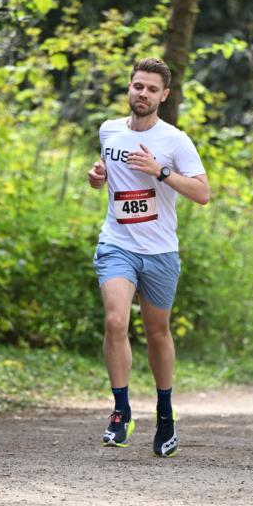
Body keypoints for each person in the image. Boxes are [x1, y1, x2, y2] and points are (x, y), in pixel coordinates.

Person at [87, 57, 210, 457]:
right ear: (130, 88)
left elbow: (202, 193)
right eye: (138, 86)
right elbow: (106, 174)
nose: (143, 94)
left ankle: (165, 413)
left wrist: (160, 172)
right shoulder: (109, 130)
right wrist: (97, 177)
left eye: (152, 89)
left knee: (157, 333)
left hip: (160, 252)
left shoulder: (175, 141)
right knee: (115, 320)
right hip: (117, 244)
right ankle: (121, 411)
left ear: (164, 95)